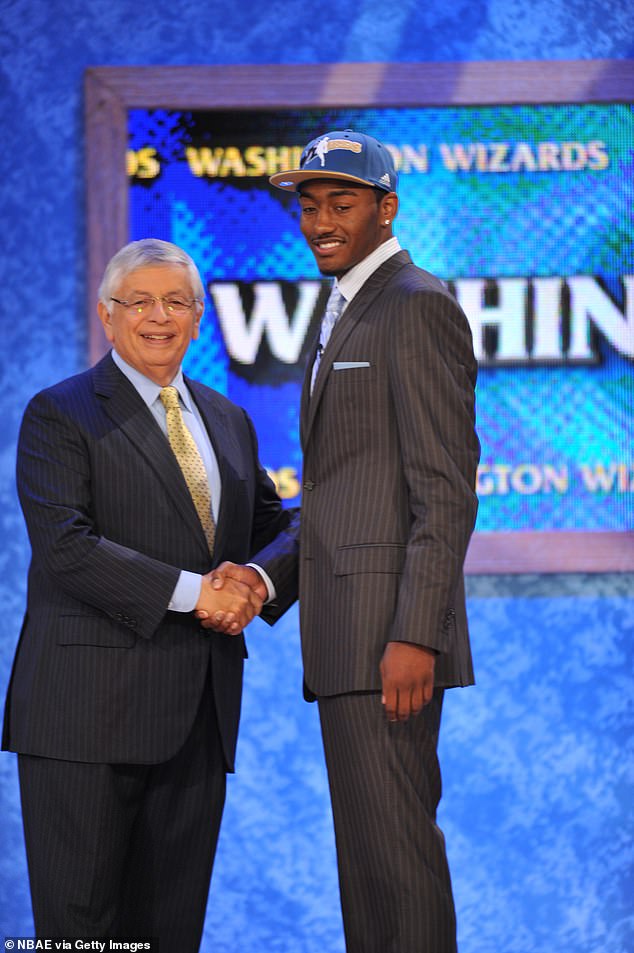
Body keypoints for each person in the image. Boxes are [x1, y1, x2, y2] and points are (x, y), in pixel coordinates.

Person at [204, 130, 481, 953]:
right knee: (367, 869)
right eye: (311, 205)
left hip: (388, 644)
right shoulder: (344, 305)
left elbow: (444, 488)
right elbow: (340, 494)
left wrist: (415, 633)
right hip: (345, 639)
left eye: (343, 203)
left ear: (386, 208)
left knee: (397, 865)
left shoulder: (415, 303)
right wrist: (262, 577)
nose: (321, 220)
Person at [2, 238, 291, 950]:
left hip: (197, 719)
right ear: (108, 315)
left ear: (198, 318)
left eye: (177, 301)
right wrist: (202, 594)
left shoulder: (229, 419)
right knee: (83, 936)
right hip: (84, 720)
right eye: (140, 300)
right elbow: (67, 548)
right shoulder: (60, 414)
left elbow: (274, 527)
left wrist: (256, 578)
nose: (158, 316)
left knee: (171, 935)